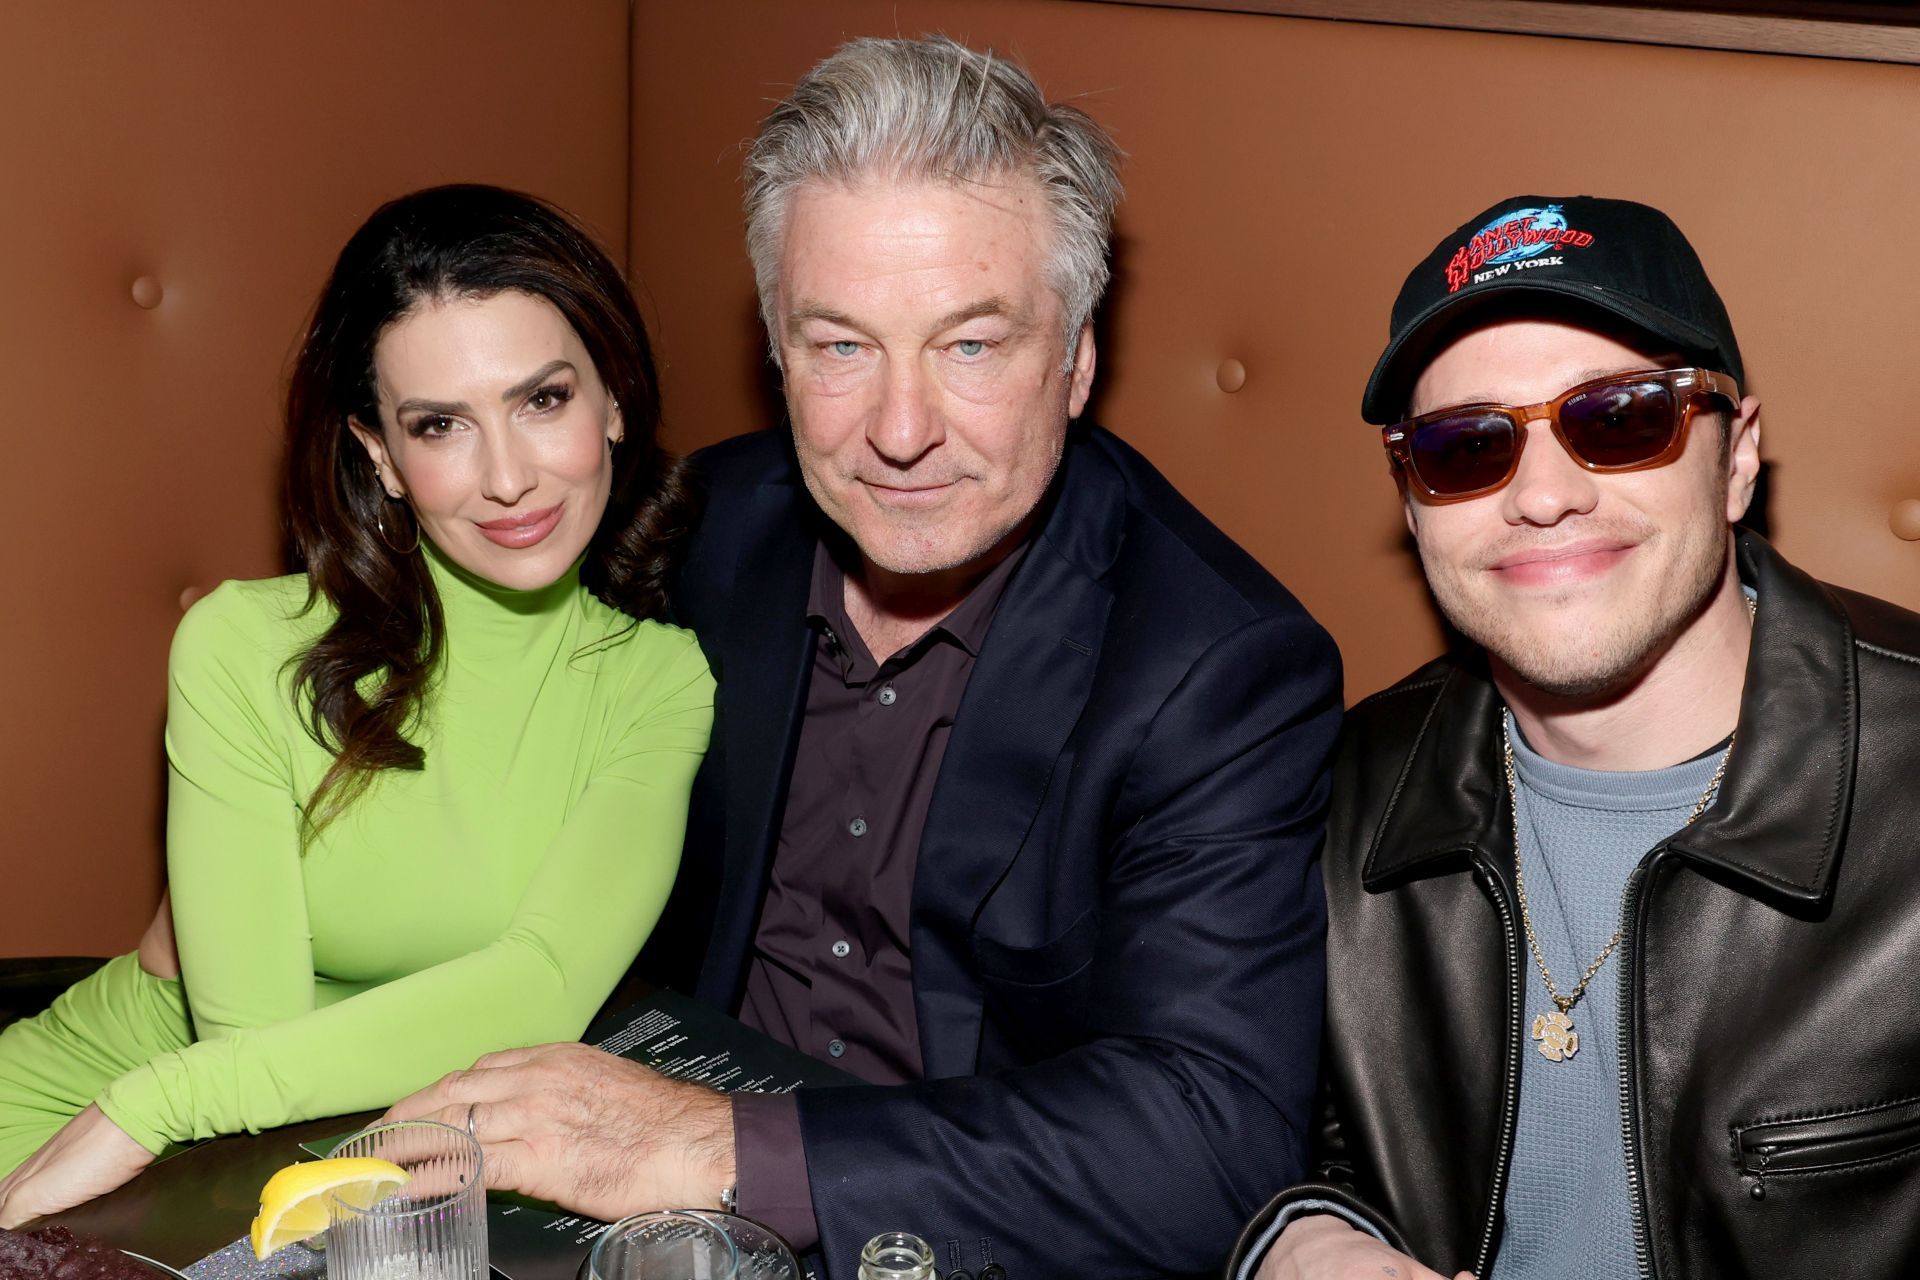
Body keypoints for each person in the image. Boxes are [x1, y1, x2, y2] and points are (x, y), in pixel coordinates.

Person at [387, 36, 1342, 1279]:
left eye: (972, 346)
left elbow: (1210, 1141)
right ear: (777, 350)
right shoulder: (699, 531)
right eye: (841, 346)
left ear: (1078, 358)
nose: (899, 432)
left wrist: (710, 1145)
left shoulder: (1216, 667)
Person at [1228, 195, 1920, 1280]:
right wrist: (1303, 1239)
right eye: (1467, 447)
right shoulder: (1339, 788)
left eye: (1619, 418)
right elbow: (1273, 1131)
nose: (1542, 497)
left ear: (1737, 457)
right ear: (1411, 504)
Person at [0, 184, 714, 1225]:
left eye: (543, 400)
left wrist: (151, 1107)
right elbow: (247, 1050)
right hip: (98, 1116)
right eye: (440, 424)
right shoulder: (246, 646)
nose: (509, 475)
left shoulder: (658, 680)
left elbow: (543, 989)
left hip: (248, 1131)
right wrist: (144, 1102)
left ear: (612, 399)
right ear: (380, 452)